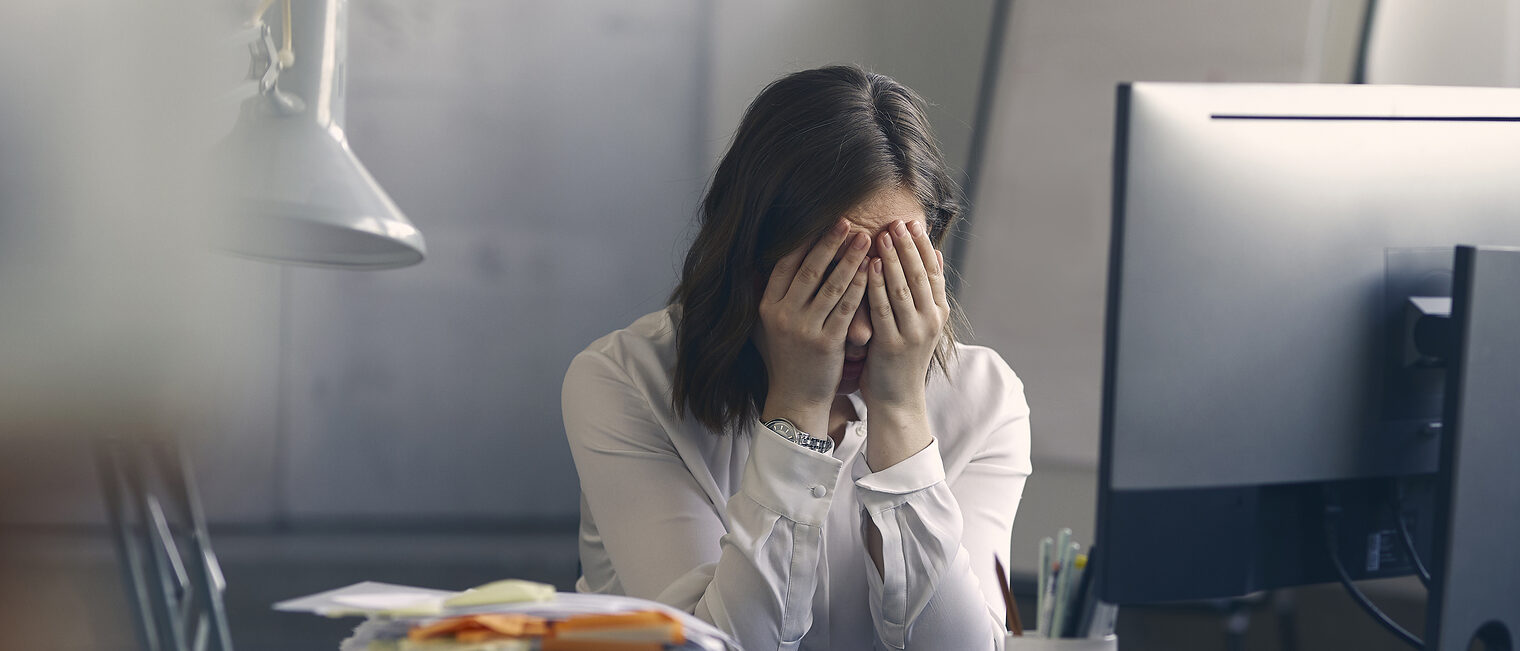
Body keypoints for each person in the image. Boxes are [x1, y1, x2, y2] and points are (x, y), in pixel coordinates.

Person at [562, 65, 1031, 651]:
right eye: (829, 284)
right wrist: (799, 406)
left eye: (890, 283)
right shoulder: (625, 381)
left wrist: (901, 411)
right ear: (749, 258)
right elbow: (720, 644)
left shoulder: (985, 398)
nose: (861, 331)